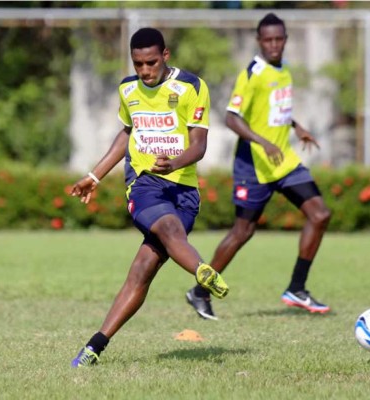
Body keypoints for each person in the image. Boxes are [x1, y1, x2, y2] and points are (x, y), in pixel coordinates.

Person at [70, 27, 229, 367]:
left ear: (166, 55)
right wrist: (95, 175)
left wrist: (175, 162)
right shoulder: (128, 88)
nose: (145, 71)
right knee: (170, 231)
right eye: (138, 63)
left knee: (142, 269)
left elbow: (199, 145)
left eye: (151, 62)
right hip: (143, 184)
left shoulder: (191, 87)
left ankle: (94, 347)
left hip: (184, 190)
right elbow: (127, 134)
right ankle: (202, 271)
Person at [185, 13, 331, 321]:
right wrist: (263, 143)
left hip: (284, 162)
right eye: (268, 40)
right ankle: (200, 291)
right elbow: (231, 118)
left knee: (320, 214)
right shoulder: (252, 74)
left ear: (286, 40)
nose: (274, 45)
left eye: (279, 39)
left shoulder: (284, 70)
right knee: (243, 231)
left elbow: (273, 110)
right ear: (259, 41)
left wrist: (297, 126)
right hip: (253, 166)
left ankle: (297, 288)